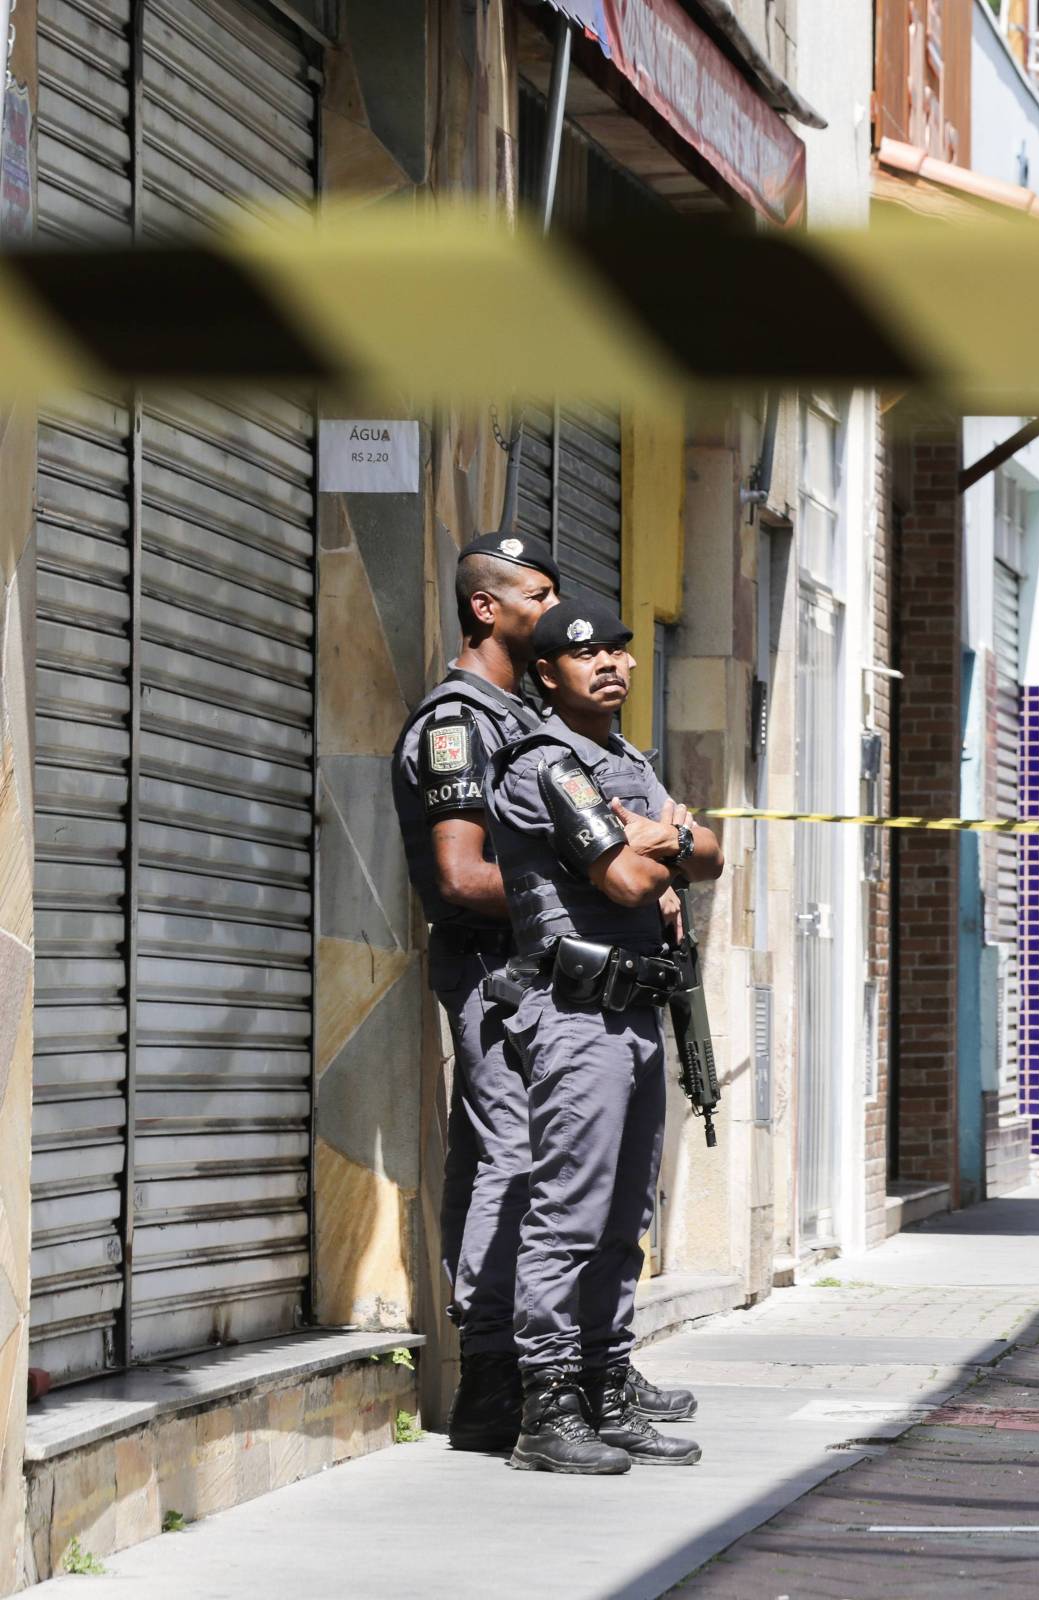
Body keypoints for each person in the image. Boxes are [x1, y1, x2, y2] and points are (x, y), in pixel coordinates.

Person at [484, 602, 724, 1473]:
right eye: (586, 653)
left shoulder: (626, 762)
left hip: (635, 1014)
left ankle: (606, 1385)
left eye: (620, 649)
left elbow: (711, 856)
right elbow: (624, 882)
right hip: (576, 1013)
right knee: (569, 1213)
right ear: (547, 673)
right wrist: (664, 843)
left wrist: (663, 834)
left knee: (627, 1215)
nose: (612, 663)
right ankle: (547, 1410)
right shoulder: (545, 764)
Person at [388, 532, 557, 1450]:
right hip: (497, 976)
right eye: (537, 595)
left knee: (542, 1165)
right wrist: (587, 890)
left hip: (540, 976)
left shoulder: (520, 714)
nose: (554, 614)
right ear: (486, 607)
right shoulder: (459, 723)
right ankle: (492, 1381)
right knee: (511, 1160)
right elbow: (458, 877)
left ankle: (551, 1363)